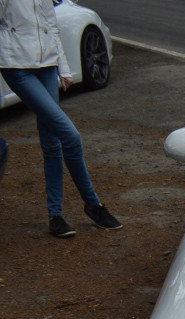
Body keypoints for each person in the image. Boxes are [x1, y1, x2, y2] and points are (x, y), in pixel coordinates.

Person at [0, 0, 121, 236]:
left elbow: (50, 25)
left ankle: (55, 216)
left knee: (52, 140)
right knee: (70, 135)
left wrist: (63, 68)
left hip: (47, 63)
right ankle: (92, 203)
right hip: (17, 66)